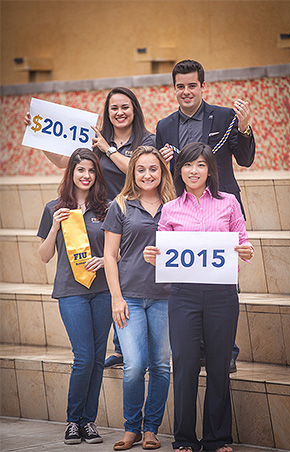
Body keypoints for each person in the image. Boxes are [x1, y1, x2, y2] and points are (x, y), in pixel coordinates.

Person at [25, 87, 156, 368]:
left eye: (125, 107)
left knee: (132, 274)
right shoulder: (96, 139)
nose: (119, 112)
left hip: (139, 213)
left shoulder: (147, 139)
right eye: (113, 108)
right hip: (108, 213)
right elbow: (66, 161)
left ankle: (138, 347)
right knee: (114, 273)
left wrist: (107, 149)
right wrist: (40, 135)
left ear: (135, 109)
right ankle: (122, 348)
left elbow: (138, 168)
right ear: (107, 112)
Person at [144, 142, 254, 452]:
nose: (194, 170)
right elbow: (162, 250)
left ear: (210, 170)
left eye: (201, 165)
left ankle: (217, 438)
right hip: (184, 294)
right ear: (179, 170)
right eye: (188, 165)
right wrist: (153, 255)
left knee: (219, 365)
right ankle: (183, 439)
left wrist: (246, 251)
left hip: (222, 293)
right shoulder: (170, 208)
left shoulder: (229, 202)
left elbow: (243, 242)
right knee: (185, 364)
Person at [156, 59, 256, 370]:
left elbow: (246, 158)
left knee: (224, 282)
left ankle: (227, 351)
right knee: (189, 284)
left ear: (203, 86)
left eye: (192, 85)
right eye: (180, 86)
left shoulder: (225, 116)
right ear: (174, 89)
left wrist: (245, 127)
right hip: (184, 213)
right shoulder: (164, 126)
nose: (186, 91)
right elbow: (165, 176)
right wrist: (162, 161)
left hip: (220, 211)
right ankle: (197, 348)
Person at [102, 145, 175, 450]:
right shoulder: (119, 205)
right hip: (129, 297)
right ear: (132, 172)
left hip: (166, 297)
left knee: (160, 365)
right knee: (134, 365)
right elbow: (109, 254)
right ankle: (131, 427)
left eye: (153, 168)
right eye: (141, 169)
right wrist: (116, 298)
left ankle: (151, 429)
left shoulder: (175, 205)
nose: (147, 174)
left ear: (162, 172)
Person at [37, 148, 112, 444]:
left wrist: (106, 261)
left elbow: (118, 251)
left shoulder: (106, 209)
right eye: (81, 170)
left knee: (97, 359)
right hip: (72, 292)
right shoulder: (54, 208)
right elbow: (44, 256)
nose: (86, 176)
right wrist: (55, 225)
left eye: (91, 171)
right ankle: (72, 421)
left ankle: (88, 422)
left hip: (103, 291)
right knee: (83, 357)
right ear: (71, 174)